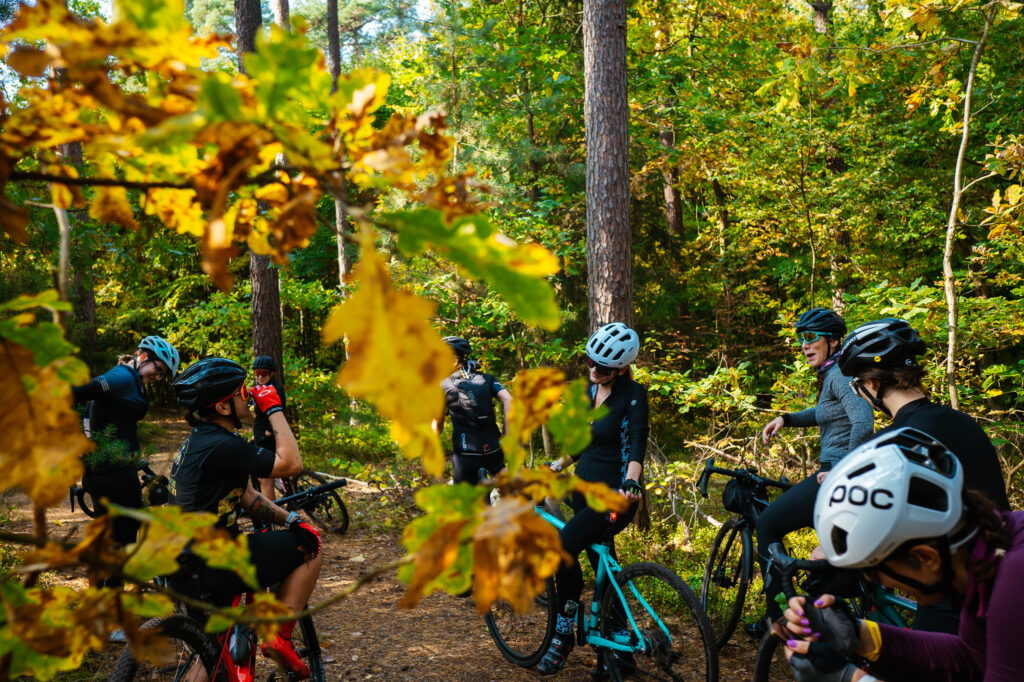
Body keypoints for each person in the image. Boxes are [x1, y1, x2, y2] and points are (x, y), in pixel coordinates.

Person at [779, 427, 1023, 682]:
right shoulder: (990, 555)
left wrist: (853, 679)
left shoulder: (1015, 584)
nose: (874, 580)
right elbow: (972, 659)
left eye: (874, 569)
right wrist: (858, 633)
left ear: (927, 558)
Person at [838, 317, 1010, 634]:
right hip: (1004, 576)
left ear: (872, 384)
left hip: (948, 594)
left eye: (858, 385)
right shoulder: (965, 422)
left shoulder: (892, 444)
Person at [169, 357, 321, 679]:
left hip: (183, 568)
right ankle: (278, 637)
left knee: (210, 657)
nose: (249, 394)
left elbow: (248, 497)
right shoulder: (223, 445)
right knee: (312, 547)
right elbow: (291, 464)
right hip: (214, 564)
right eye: (241, 390)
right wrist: (274, 409)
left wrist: (290, 519)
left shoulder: (200, 442)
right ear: (223, 408)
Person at [751, 308, 874, 638]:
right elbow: (825, 413)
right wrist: (787, 419)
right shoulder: (833, 374)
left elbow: (863, 422)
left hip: (836, 475)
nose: (803, 345)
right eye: (799, 339)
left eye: (810, 338)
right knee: (827, 559)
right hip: (835, 474)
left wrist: (842, 471)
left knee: (769, 523)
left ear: (833, 341)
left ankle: (777, 619)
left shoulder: (841, 376)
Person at [537, 322, 648, 676]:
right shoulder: (589, 390)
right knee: (603, 560)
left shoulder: (633, 396)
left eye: (602, 367)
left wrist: (631, 484)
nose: (593, 370)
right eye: (589, 362)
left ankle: (564, 631)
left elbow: (636, 444)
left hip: (614, 496)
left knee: (563, 546)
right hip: (582, 491)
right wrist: (557, 465)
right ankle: (618, 644)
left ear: (622, 368)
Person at [72, 335, 179, 546]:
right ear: (144, 356)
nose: (158, 377)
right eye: (158, 370)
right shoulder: (124, 377)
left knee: (108, 539)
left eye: (162, 375)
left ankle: (104, 578)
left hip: (105, 471)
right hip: (115, 476)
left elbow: (97, 413)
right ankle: (112, 579)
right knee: (123, 540)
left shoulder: (128, 379)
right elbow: (80, 392)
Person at [431, 336, 513, 486]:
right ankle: (522, 501)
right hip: (494, 450)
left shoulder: (442, 385)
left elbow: (437, 423)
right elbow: (509, 400)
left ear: (454, 361)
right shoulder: (487, 379)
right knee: (508, 488)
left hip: (465, 456)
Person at [251, 355, 288, 500]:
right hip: (261, 436)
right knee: (274, 474)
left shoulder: (274, 390)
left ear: (272, 373)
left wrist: (268, 431)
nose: (260, 376)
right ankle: (292, 493)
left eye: (263, 373)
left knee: (265, 480)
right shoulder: (261, 388)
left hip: (267, 437)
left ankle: (270, 517)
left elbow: (279, 411)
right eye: (257, 373)